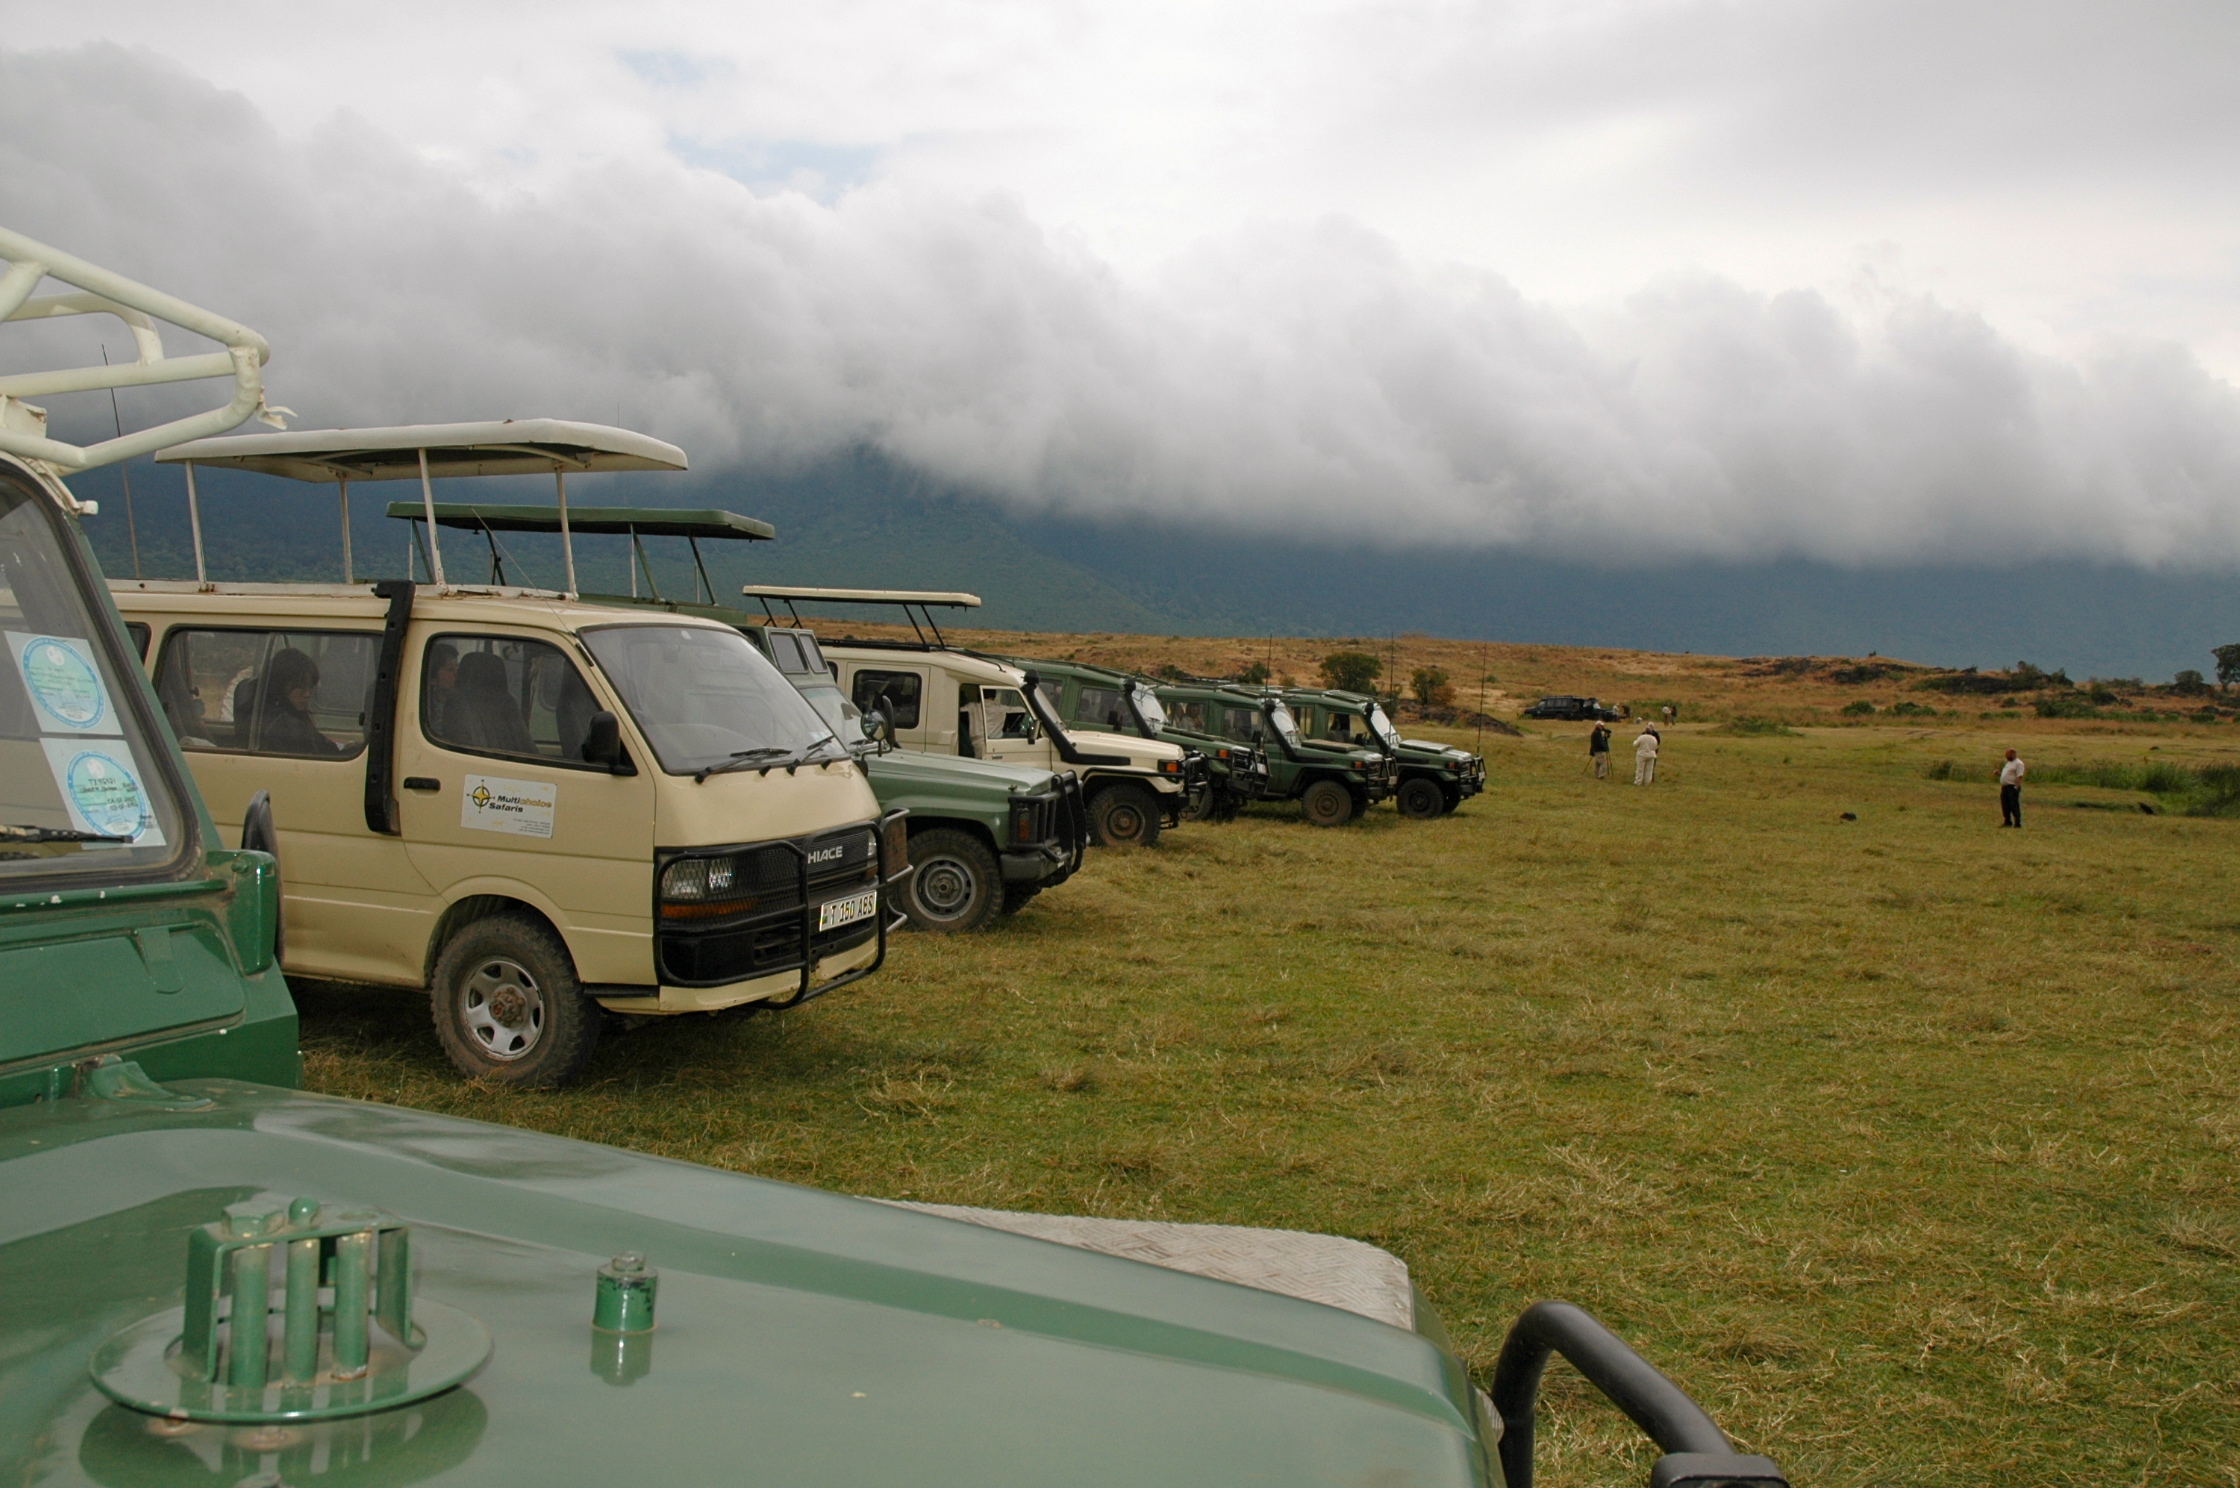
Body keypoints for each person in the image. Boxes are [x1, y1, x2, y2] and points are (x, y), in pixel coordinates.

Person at [253, 648, 345, 756]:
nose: (307, 694)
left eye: (310, 687)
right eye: (300, 687)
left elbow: (320, 743)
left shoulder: (295, 714)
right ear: (281, 685)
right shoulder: (283, 726)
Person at [1999, 748, 2025, 827]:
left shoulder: (2018, 763)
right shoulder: (2009, 763)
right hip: (2005, 787)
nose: (2006, 756)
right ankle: (2007, 822)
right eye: (2006, 755)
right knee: (2005, 805)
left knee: (2014, 805)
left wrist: (2016, 788)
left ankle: (2017, 823)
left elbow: (2019, 776)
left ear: (2013, 754)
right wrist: (1999, 774)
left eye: (2008, 754)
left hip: (2012, 787)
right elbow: (2008, 775)